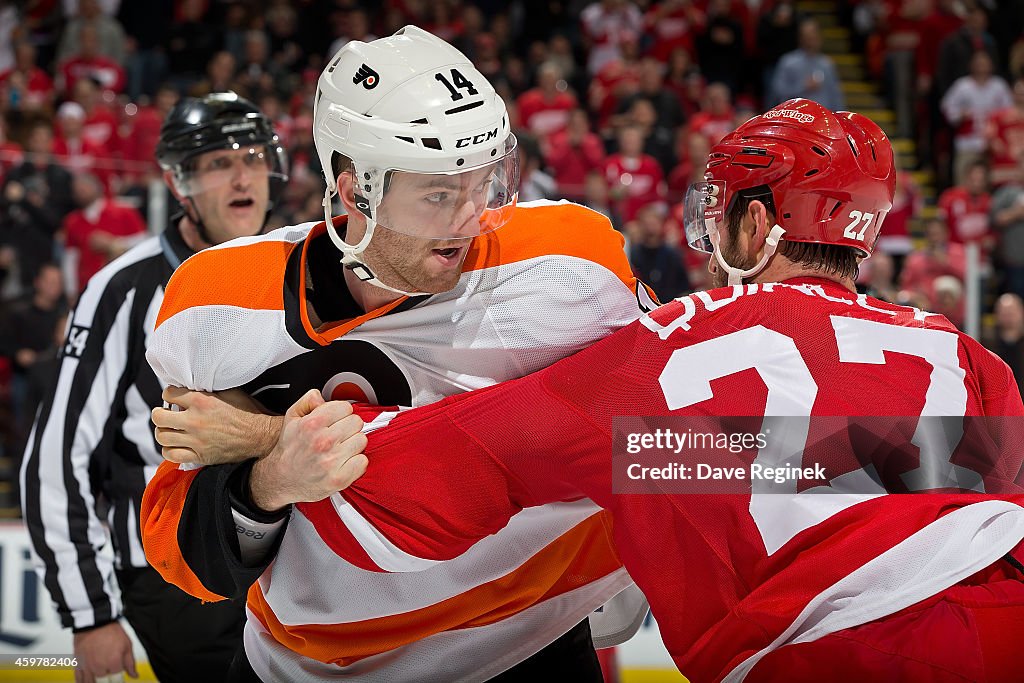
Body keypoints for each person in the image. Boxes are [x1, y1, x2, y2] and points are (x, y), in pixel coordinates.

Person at [151, 99, 1024, 682]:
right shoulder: (960, 350)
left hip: (848, 649)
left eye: (725, 208)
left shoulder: (680, 347)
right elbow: (875, 463)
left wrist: (266, 440)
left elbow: (468, 459)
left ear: (757, 222)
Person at [142, 26, 655, 683]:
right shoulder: (214, 305)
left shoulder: (571, 264)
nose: (471, 218)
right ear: (357, 191)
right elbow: (186, 560)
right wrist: (265, 484)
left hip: (533, 647)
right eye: (440, 194)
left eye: (484, 184)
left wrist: (263, 438)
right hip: (308, 670)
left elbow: (658, 429)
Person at [20, 92, 289, 683]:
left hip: (288, 568)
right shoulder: (125, 287)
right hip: (175, 572)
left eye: (251, 157)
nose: (241, 176)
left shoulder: (302, 271)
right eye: (218, 163)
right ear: (180, 182)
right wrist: (90, 616)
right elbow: (57, 458)